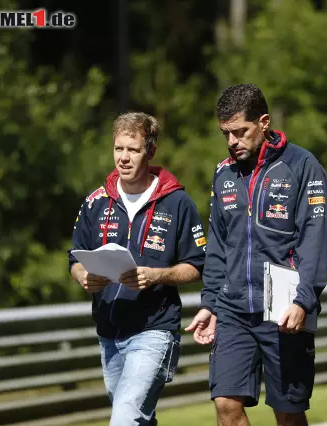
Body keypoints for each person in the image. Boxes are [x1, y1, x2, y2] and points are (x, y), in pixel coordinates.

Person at [185, 84, 327, 426]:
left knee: (288, 412)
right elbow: (218, 245)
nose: (233, 141)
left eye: (241, 131)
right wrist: (210, 303)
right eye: (226, 134)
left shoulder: (303, 166)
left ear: (263, 123)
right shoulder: (223, 174)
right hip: (234, 308)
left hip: (285, 305)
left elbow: (315, 239)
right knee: (225, 404)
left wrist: (303, 298)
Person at [68, 112, 206, 426]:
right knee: (137, 420)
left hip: (154, 330)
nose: (124, 158)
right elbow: (74, 258)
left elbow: (196, 265)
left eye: (133, 149)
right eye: (119, 149)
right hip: (109, 333)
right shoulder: (95, 202)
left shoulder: (178, 203)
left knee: (124, 419)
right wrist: (83, 277)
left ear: (151, 151)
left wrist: (158, 275)